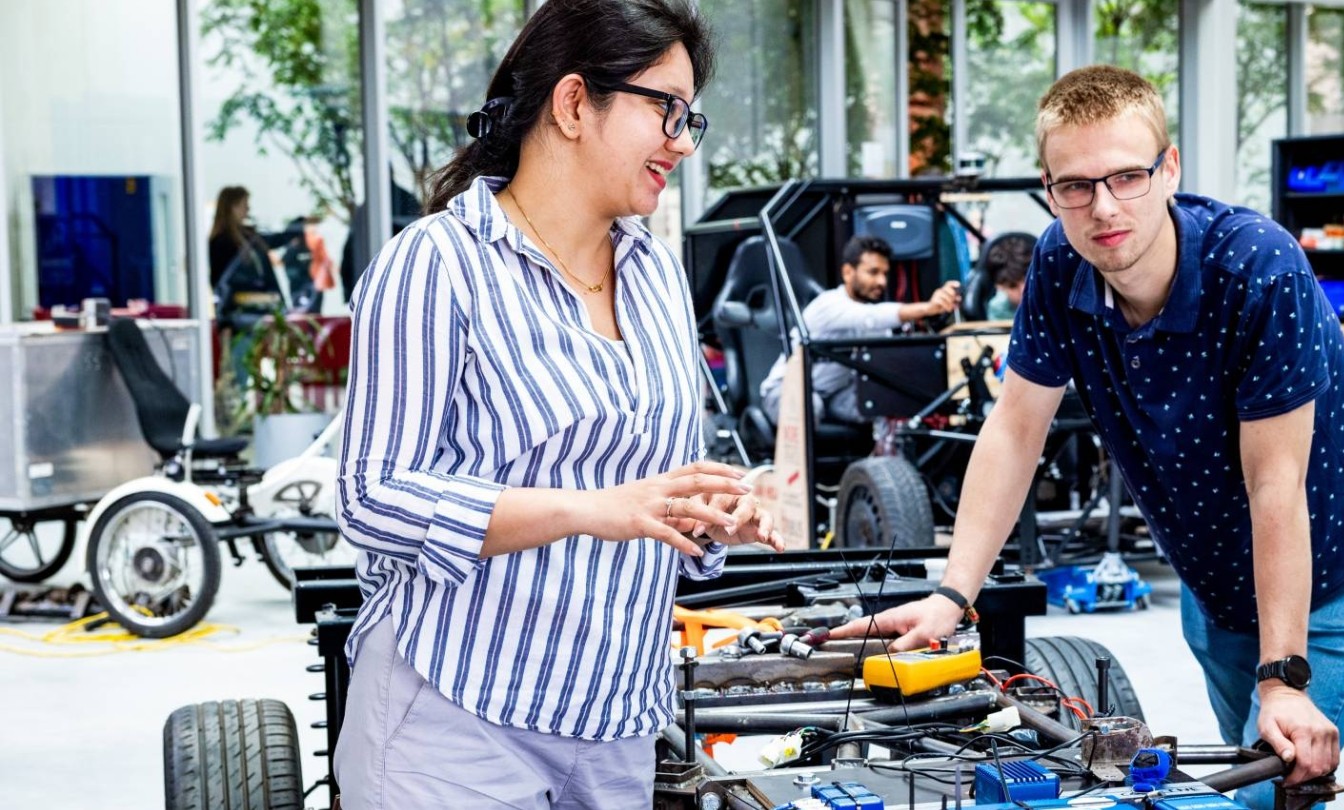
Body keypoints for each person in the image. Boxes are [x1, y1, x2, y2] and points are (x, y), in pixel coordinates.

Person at [831, 65, 1344, 809]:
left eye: (1127, 176)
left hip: (1337, 558)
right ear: (1050, 191)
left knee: (1264, 788)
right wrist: (952, 594)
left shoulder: (1256, 268)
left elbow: (1277, 485)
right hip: (1215, 575)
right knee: (1241, 778)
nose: (1103, 207)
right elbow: (1014, 431)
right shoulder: (1057, 260)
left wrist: (1283, 677)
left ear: (1170, 170)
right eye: (1075, 185)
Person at [332, 2, 778, 807]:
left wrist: (718, 511)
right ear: (574, 103)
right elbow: (372, 499)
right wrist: (588, 508)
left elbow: (648, 493)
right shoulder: (438, 264)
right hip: (456, 718)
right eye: (665, 110)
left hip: (616, 721)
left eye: (690, 118)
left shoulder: (655, 275)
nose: (681, 140)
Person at [756, 234, 961, 425]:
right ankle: (801, 465)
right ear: (848, 272)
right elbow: (870, 318)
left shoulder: (876, 320)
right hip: (785, 390)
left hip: (836, 393)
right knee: (811, 405)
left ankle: (887, 458)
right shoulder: (828, 305)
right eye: (873, 272)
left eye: (885, 274)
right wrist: (927, 308)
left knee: (888, 400)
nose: (881, 281)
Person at [207, 185, 283, 327]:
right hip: (237, 313)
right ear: (232, 208)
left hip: (255, 310)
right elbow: (220, 280)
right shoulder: (222, 242)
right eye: (244, 205)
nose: (248, 210)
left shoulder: (248, 237)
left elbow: (273, 240)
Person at [982, 233, 1032, 320]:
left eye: (1028, 280)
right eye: (1013, 286)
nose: (1023, 290)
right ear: (1000, 287)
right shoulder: (997, 308)